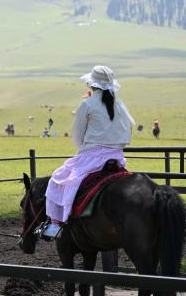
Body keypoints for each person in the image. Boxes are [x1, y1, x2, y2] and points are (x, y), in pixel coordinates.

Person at [44, 65, 134, 231]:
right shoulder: (120, 105)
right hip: (117, 157)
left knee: (58, 179)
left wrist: (83, 149)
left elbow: (77, 135)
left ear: (91, 84)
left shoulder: (88, 104)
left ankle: (55, 225)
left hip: (92, 157)